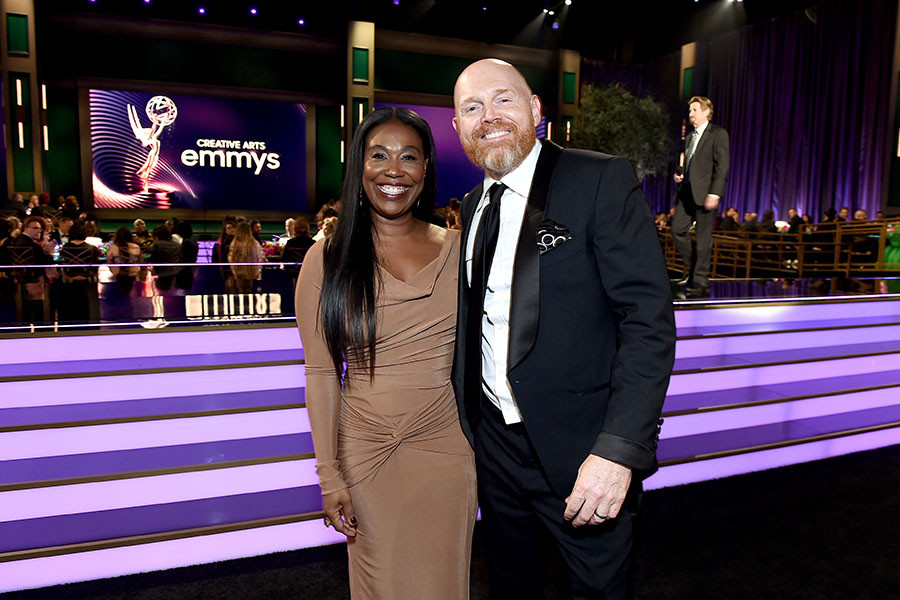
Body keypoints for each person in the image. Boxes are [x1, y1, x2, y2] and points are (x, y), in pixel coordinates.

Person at [450, 58, 675, 599]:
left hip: (585, 454)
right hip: (494, 450)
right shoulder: (472, 205)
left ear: (534, 109)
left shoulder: (597, 178)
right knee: (511, 585)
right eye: (472, 108)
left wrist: (618, 450)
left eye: (503, 99)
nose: (489, 116)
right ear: (458, 128)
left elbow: (647, 322)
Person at [296, 107, 476, 599]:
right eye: (379, 155)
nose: (393, 170)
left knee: (443, 583)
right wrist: (329, 474)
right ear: (359, 167)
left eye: (409, 157)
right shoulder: (327, 256)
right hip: (365, 453)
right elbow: (321, 370)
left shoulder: (461, 249)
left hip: (444, 447)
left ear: (426, 170)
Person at [671, 96, 730, 298]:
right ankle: (695, 268)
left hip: (707, 193)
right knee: (677, 229)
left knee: (704, 239)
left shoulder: (718, 134)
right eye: (689, 111)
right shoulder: (690, 138)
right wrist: (680, 173)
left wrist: (715, 193)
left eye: (694, 110)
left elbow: (722, 166)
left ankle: (700, 281)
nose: (690, 114)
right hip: (687, 191)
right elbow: (689, 165)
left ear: (706, 112)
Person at [228, 221, 264, 293]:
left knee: (241, 292)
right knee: (250, 292)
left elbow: (231, 259)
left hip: (238, 272)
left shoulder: (234, 243)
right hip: (251, 273)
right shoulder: (254, 243)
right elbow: (259, 257)